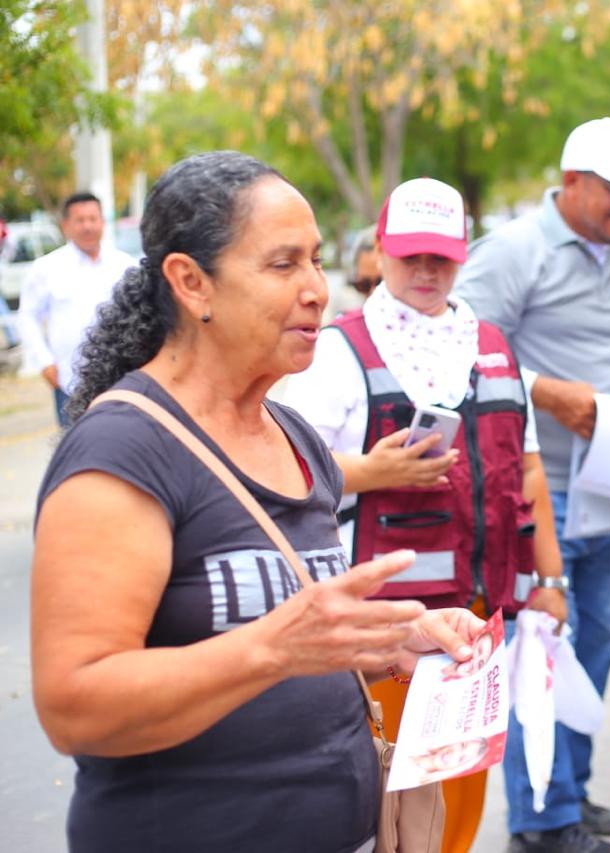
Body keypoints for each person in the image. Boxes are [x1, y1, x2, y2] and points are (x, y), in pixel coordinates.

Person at [30, 151, 486, 853]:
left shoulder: (296, 438)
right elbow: (74, 707)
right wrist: (272, 648)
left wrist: (393, 638)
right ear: (191, 282)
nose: (317, 290)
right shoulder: (123, 449)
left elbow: (309, 634)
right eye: (283, 264)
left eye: (314, 261)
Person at [281, 176, 569, 853]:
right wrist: (374, 471)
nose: (427, 270)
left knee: (454, 804)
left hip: (478, 623)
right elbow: (285, 479)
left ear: (463, 253)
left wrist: (551, 583)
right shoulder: (335, 353)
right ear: (381, 250)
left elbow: (528, 471)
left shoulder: (494, 344)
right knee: (381, 807)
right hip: (382, 631)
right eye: (411, 255)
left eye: (441, 255)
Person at [453, 117, 610, 853]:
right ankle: (542, 824)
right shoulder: (516, 252)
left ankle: (570, 797)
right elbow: (464, 353)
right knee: (543, 658)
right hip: (534, 496)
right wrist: (548, 393)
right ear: (573, 181)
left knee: (596, 649)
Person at [17, 192, 134, 426]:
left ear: (102, 221)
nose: (87, 226)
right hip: (70, 381)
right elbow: (27, 316)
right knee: (76, 450)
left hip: (122, 380)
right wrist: (44, 361)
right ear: (66, 226)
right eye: (80, 220)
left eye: (93, 218)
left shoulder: (124, 266)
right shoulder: (47, 269)